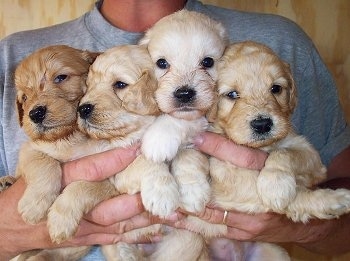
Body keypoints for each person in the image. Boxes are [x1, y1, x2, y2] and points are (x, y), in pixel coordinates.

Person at [1, 0, 349, 260]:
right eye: (163, 65)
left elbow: (341, 229)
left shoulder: (280, 43)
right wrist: (8, 230)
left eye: (208, 64)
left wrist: (296, 217)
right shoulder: (10, 54)